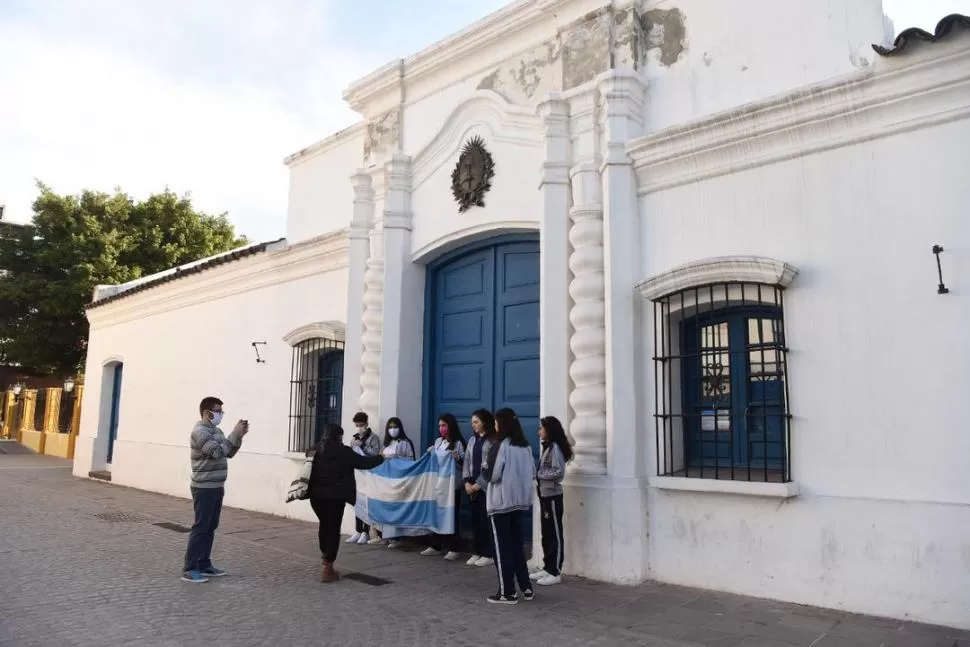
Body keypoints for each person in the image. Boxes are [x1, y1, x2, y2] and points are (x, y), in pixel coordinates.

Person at [182, 396, 248, 584]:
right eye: (218, 411)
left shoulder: (217, 431)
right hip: (203, 487)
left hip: (217, 486)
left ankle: (204, 563)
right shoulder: (199, 432)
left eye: (221, 411)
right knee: (201, 526)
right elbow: (217, 452)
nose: (220, 415)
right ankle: (190, 568)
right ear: (207, 412)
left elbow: (228, 452)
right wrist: (233, 435)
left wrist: (239, 437)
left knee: (211, 527)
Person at [308, 423, 384, 582]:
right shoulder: (344, 452)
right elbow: (365, 463)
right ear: (338, 436)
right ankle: (328, 567)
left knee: (324, 525)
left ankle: (325, 557)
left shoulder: (314, 450)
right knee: (333, 529)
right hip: (335, 497)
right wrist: (382, 457)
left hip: (316, 497)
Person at [479, 407, 536, 605]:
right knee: (516, 546)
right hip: (519, 503)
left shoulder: (500, 445)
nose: (494, 426)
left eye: (496, 422)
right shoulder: (526, 446)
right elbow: (533, 472)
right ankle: (526, 587)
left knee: (501, 548)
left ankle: (507, 592)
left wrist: (483, 469)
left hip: (500, 503)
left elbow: (492, 475)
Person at [530, 415, 572, 586]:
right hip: (545, 495)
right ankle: (547, 567)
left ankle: (555, 570)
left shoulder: (555, 448)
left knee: (554, 533)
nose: (539, 431)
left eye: (541, 428)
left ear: (549, 430)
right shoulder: (547, 447)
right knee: (546, 533)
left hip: (553, 496)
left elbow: (558, 472)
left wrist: (539, 474)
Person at [421, 413, 466, 560]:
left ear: (450, 426)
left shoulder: (458, 443)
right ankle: (436, 544)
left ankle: (455, 547)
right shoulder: (438, 442)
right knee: (437, 514)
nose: (441, 428)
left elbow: (466, 464)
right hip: (438, 485)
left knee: (452, 516)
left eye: (444, 425)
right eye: (440, 425)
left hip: (453, 486)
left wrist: (458, 458)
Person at [375, 417, 416, 549]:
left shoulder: (405, 443)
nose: (392, 430)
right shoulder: (387, 443)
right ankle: (384, 535)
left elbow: (411, 460)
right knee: (386, 507)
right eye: (390, 427)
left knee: (397, 509)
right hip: (387, 479)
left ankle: (397, 537)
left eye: (395, 427)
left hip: (399, 479)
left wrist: (397, 458)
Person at [462, 408, 496, 567]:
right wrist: (467, 482)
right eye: (472, 422)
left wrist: (478, 485)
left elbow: (491, 467)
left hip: (485, 488)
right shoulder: (472, 440)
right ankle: (477, 551)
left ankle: (488, 553)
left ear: (484, 422)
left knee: (485, 521)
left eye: (476, 422)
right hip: (472, 487)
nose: (473, 425)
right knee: (475, 520)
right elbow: (467, 462)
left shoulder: (492, 441)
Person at [347, 411, 382, 545]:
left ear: (366, 424)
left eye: (361, 425)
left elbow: (375, 453)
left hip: (369, 474)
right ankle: (357, 530)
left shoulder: (373, 438)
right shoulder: (354, 437)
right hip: (357, 474)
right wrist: (354, 444)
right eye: (357, 425)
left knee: (366, 503)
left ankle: (365, 532)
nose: (359, 427)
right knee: (357, 501)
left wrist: (362, 445)